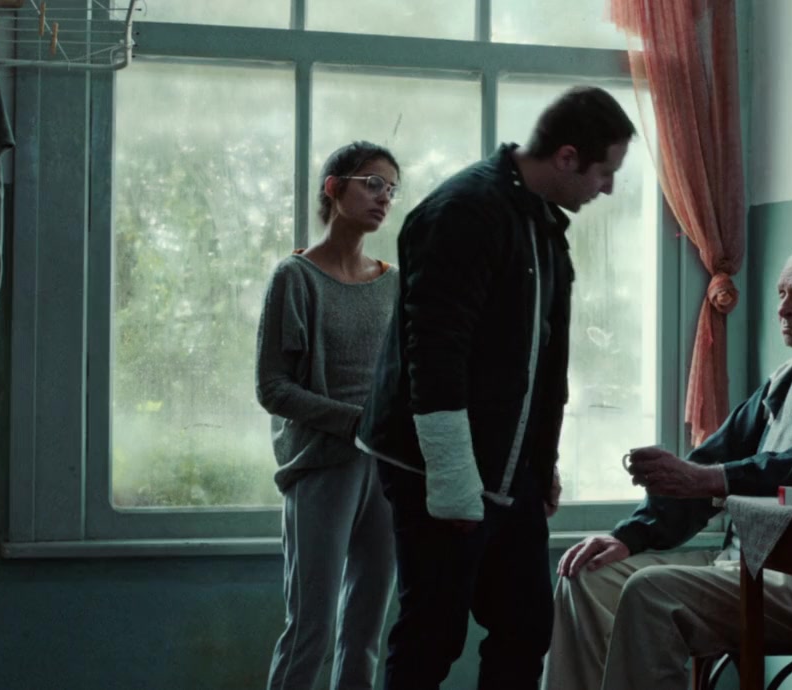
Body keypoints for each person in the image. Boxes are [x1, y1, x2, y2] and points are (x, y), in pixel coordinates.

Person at [354, 86, 636, 690]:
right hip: (436, 466)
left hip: (510, 470)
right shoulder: (464, 209)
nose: (609, 188)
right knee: (433, 633)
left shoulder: (542, 224)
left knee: (526, 625)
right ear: (567, 157)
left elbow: (543, 362)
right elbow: (435, 351)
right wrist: (454, 482)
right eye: (605, 172)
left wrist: (542, 461)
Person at [544, 245, 792, 690]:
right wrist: (628, 537)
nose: (783, 308)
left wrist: (712, 479)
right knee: (587, 576)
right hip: (742, 562)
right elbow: (708, 464)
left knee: (651, 592)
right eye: (781, 294)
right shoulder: (784, 380)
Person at [255, 141, 402, 690]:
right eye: (372, 183)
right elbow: (272, 388)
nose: (384, 197)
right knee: (310, 630)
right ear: (334, 188)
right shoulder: (294, 277)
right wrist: (356, 422)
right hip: (321, 467)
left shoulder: (392, 281)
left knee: (364, 634)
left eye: (391, 188)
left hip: (386, 472)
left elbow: (404, 376)